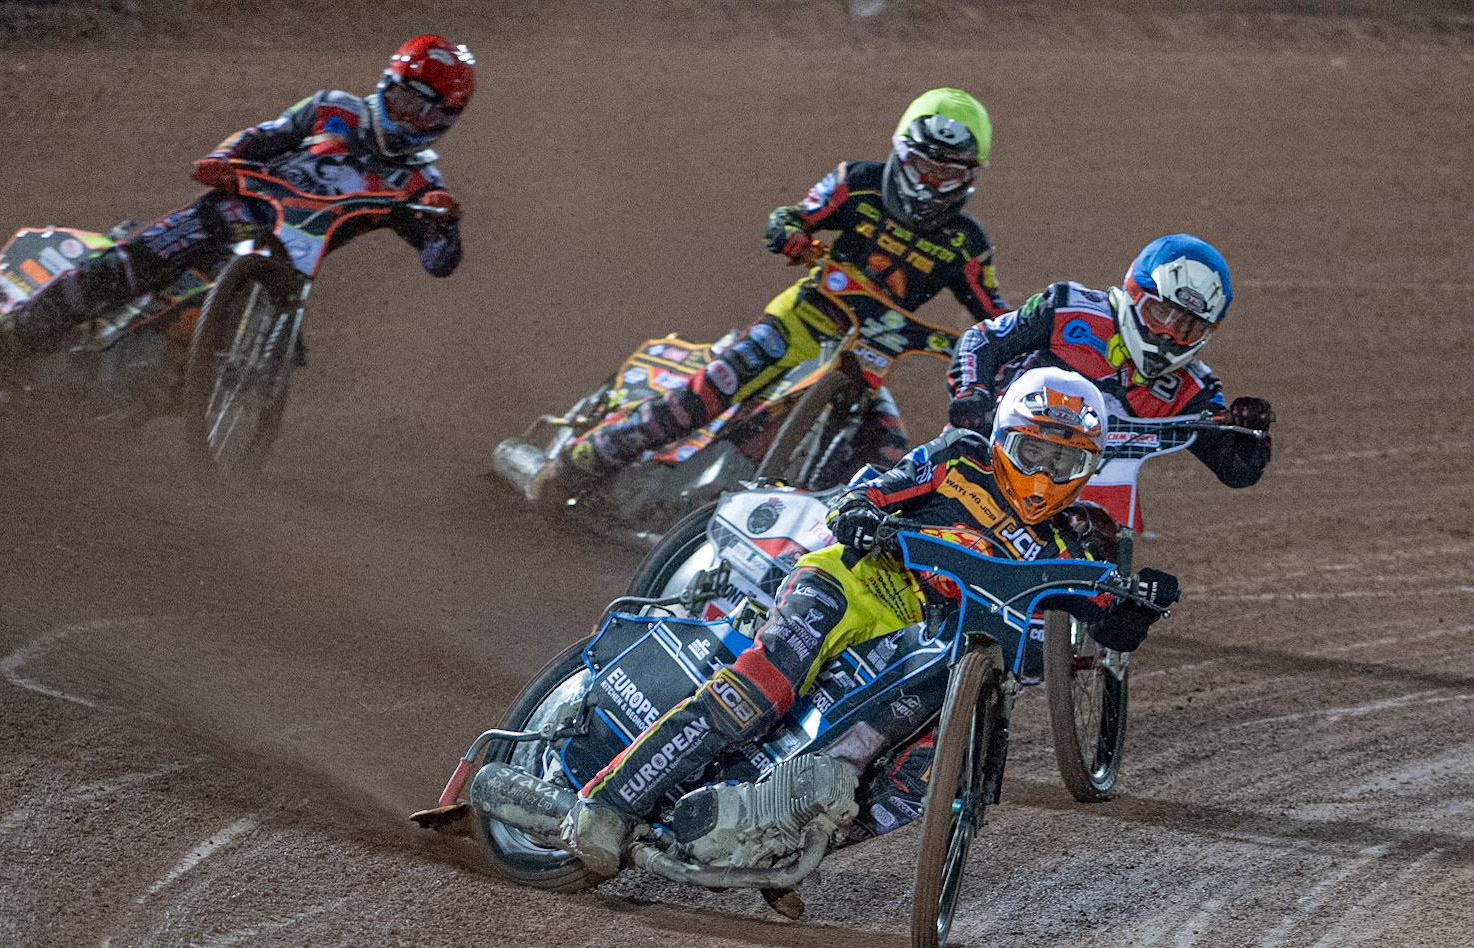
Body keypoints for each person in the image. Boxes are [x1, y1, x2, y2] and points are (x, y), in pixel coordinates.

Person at [552, 367, 1180, 876]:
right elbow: (876, 489)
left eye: (1064, 463)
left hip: (931, 650)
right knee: (765, 684)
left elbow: (1111, 626)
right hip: (852, 584)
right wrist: (859, 511)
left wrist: (1141, 603)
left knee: (916, 786)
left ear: (1088, 472)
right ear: (1002, 439)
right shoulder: (959, 459)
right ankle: (608, 803)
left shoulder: (1067, 550)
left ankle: (782, 848)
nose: (1043, 475)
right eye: (1032, 450)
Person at [531, 87, 1013, 507]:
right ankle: (582, 460)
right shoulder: (856, 181)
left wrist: (1018, 348)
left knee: (887, 453)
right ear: (901, 152)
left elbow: (994, 314)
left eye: (944, 174)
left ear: (969, 177)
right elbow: (797, 214)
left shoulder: (966, 243)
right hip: (800, 322)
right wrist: (790, 230)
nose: (929, 184)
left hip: (870, 357)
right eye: (923, 166)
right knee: (708, 391)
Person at [0, 35, 474, 377]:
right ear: (386, 84)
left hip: (287, 269)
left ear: (444, 118)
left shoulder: (419, 180)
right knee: (139, 262)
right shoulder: (331, 108)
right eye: (402, 97)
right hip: (236, 210)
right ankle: (0, 347)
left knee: (276, 357)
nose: (406, 113)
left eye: (423, 108)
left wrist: (443, 225)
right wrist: (222, 159)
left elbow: (439, 262)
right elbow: (264, 136)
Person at [946, 234, 1273, 488]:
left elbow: (1238, 471)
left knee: (1110, 545)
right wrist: (972, 394)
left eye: (1188, 327)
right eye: (1161, 314)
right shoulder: (1066, 308)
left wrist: (1250, 430)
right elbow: (982, 340)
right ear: (1135, 294)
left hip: (1082, 507)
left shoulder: (1191, 388)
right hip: (987, 463)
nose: (1168, 335)